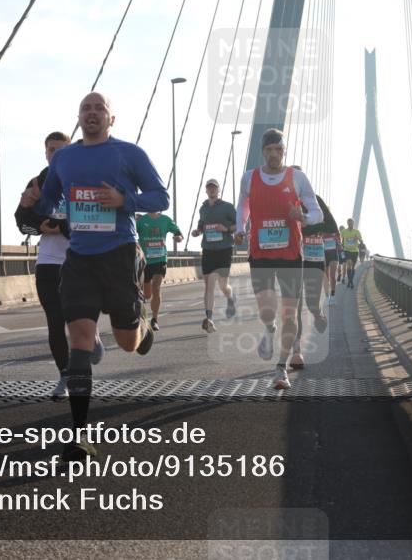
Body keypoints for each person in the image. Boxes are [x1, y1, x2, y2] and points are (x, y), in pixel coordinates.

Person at [20, 92, 168, 461]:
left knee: (128, 342)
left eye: (99, 108)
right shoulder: (64, 158)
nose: (91, 113)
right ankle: (79, 434)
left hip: (119, 255)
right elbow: (49, 202)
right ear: (78, 117)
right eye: (85, 108)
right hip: (79, 259)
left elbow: (160, 198)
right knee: (80, 341)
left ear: (111, 118)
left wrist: (125, 200)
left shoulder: (129, 153)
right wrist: (32, 204)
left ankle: (142, 323)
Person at [15, 131, 104, 401]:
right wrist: (38, 222)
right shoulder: (37, 182)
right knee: (55, 322)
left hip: (81, 261)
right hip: (48, 263)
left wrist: (61, 227)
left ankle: (92, 334)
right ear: (46, 154)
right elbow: (22, 222)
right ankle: (66, 376)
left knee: (78, 322)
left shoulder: (85, 179)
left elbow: (97, 219)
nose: (56, 155)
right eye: (51, 150)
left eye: (61, 150)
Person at [235, 129, 323, 390]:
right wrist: (240, 228)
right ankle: (269, 328)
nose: (274, 154)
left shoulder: (297, 177)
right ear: (263, 151)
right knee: (266, 309)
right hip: (260, 252)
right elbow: (243, 206)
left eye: (279, 149)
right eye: (269, 150)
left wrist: (304, 217)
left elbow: (317, 213)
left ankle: (281, 368)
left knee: (290, 313)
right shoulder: (249, 178)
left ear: (284, 150)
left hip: (290, 254)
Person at [290, 168, 336, 370]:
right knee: (295, 306)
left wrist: (306, 223)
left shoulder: (315, 201)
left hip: (314, 258)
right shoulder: (284, 201)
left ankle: (318, 314)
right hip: (292, 257)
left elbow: (331, 226)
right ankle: (297, 350)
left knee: (311, 303)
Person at [190, 179, 237, 333]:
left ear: (218, 190)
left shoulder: (227, 207)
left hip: (224, 249)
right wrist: (197, 231)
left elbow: (239, 224)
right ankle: (209, 319)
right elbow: (201, 224)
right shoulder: (203, 208)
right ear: (206, 190)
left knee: (223, 286)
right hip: (208, 250)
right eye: (209, 188)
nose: (212, 190)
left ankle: (230, 297)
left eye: (214, 188)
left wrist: (226, 229)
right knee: (209, 284)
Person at [136, 211, 183, 330]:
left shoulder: (166, 220)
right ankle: (143, 313)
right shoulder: (141, 220)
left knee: (156, 287)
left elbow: (179, 233)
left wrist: (178, 238)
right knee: (147, 295)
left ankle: (154, 320)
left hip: (160, 259)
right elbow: (129, 232)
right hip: (145, 261)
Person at [340, 218, 364, 288]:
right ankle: (350, 281)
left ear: (353, 223)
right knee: (349, 264)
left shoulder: (357, 231)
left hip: (355, 251)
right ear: (347, 223)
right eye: (349, 223)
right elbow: (341, 240)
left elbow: (361, 241)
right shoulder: (344, 231)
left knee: (353, 267)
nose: (350, 224)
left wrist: (358, 239)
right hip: (347, 250)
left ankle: (350, 281)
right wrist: (341, 246)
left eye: (351, 223)